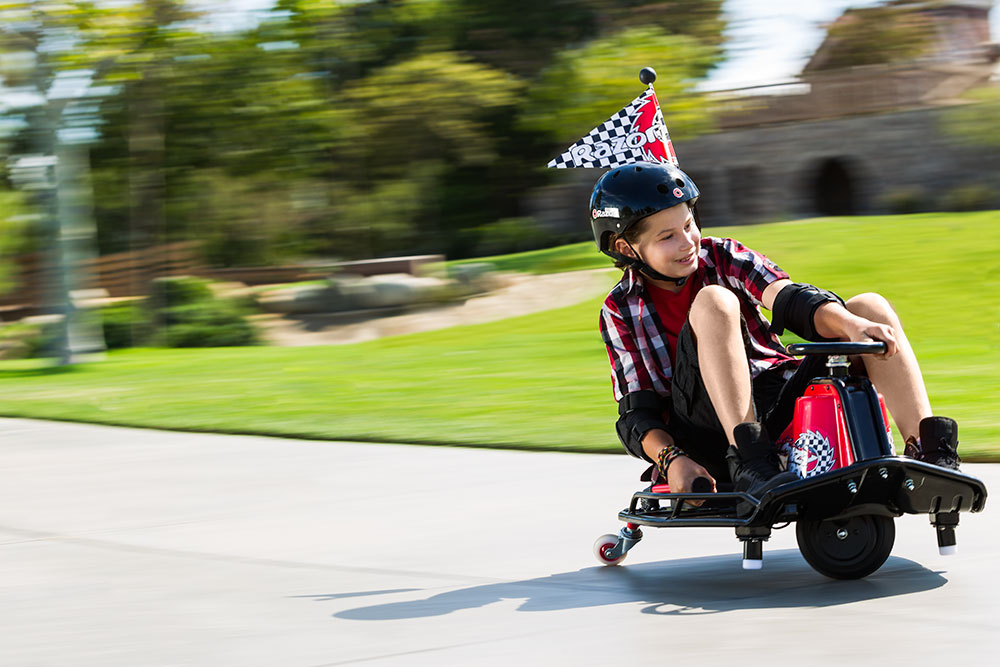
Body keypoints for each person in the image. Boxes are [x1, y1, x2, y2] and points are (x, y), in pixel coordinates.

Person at [593, 161, 961, 499]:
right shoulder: (621, 309)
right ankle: (750, 459)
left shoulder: (721, 255)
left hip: (776, 397)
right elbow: (636, 416)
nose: (689, 242)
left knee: (869, 306)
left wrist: (853, 324)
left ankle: (927, 456)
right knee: (714, 302)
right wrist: (673, 461)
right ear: (627, 247)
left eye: (688, 225)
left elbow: (787, 298)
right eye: (666, 237)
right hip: (709, 435)